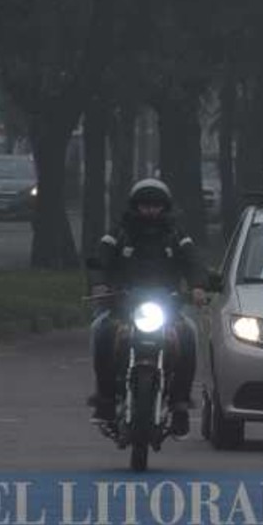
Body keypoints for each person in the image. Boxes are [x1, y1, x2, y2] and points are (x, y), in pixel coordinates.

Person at [88, 178, 207, 433]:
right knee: (102, 330)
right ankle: (105, 399)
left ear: (165, 207)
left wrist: (198, 286)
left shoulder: (177, 235)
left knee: (189, 334)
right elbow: (100, 259)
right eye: (145, 205)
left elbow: (194, 260)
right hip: (124, 305)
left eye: (155, 205)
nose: (150, 210)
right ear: (135, 206)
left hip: (168, 304)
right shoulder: (119, 233)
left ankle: (180, 405)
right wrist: (99, 284)